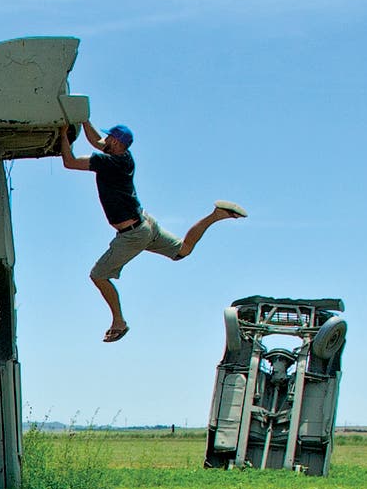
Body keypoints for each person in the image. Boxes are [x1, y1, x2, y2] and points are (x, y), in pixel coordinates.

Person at [60, 120, 241, 341]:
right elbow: (96, 141)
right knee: (182, 251)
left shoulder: (109, 163)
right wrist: (84, 119)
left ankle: (119, 321)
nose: (104, 140)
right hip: (145, 224)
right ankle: (216, 215)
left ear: (115, 142)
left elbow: (69, 162)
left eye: (108, 138)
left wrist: (63, 135)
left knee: (98, 276)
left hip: (132, 234)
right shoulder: (125, 157)